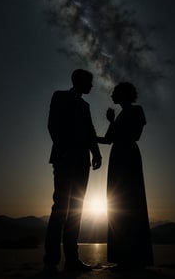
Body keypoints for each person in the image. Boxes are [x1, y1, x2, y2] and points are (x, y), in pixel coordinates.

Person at [44, 69, 102, 274]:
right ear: (80, 81)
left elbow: (90, 131)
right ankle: (51, 261)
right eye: (90, 82)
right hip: (65, 158)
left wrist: (96, 153)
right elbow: (52, 125)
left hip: (82, 162)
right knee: (60, 207)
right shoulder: (60, 96)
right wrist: (64, 149)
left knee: (77, 209)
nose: (92, 86)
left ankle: (72, 260)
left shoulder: (85, 106)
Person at [97, 82, 154, 271]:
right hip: (117, 156)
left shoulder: (137, 110)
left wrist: (114, 124)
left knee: (131, 201)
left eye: (117, 91)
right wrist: (87, 136)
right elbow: (107, 140)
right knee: (116, 202)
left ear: (126, 93)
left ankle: (135, 257)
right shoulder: (119, 115)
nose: (113, 94)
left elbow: (135, 135)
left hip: (128, 155)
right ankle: (122, 257)